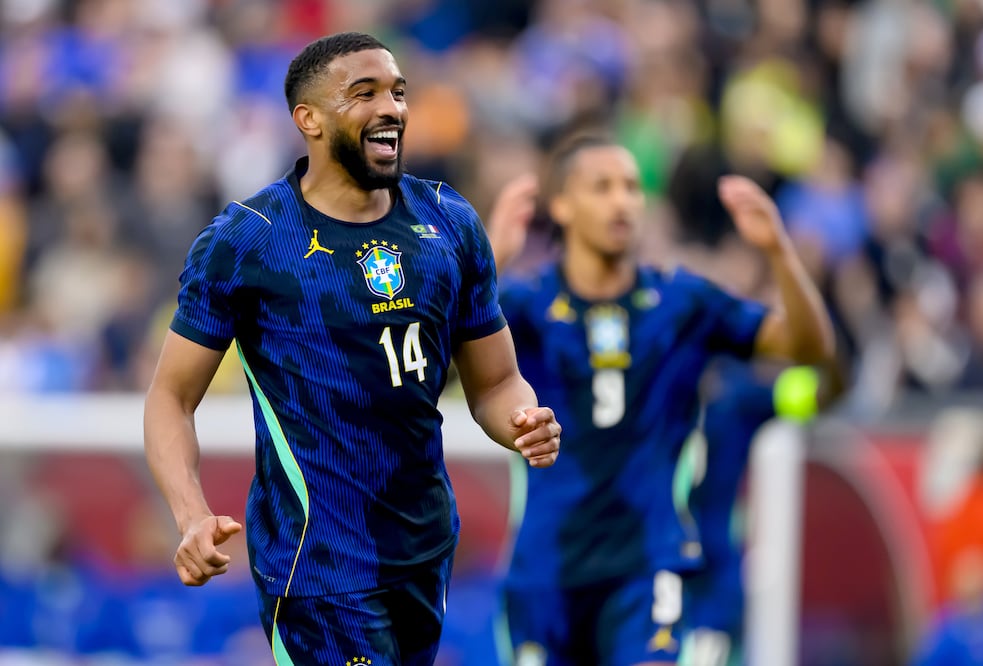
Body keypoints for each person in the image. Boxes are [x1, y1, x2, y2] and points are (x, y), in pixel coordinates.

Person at [143, 32, 561, 666]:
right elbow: (170, 399)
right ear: (308, 120)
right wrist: (190, 514)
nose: (390, 108)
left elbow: (497, 383)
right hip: (315, 563)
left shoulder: (448, 221)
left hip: (422, 548)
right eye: (363, 94)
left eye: (397, 92)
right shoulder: (248, 240)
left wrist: (522, 423)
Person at [486, 133, 835, 666]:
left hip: (649, 563)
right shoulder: (524, 306)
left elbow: (809, 347)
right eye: (601, 187)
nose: (622, 201)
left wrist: (778, 253)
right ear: (561, 205)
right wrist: (487, 262)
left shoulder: (682, 301)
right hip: (546, 571)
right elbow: (437, 355)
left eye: (631, 187)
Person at [678, 356, 844, 666]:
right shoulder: (648, 386)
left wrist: (815, 344)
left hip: (709, 576)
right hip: (651, 568)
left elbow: (824, 392)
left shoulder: (736, 393)